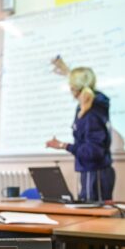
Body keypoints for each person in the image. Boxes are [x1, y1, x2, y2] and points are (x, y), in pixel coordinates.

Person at [46, 61, 115, 201]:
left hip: (95, 173)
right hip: (91, 171)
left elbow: (93, 151)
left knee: (93, 219)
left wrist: (63, 146)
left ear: (73, 87)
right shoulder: (90, 106)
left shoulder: (91, 114)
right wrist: (66, 71)